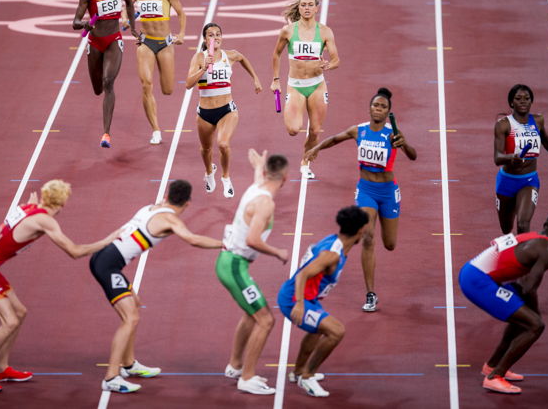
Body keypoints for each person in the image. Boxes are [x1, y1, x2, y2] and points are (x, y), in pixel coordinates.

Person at [0, 180, 120, 393]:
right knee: (9, 322)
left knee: (20, 312)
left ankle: (1, 368)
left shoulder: (28, 207)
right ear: (62, 202)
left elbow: (4, 228)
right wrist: (108, 241)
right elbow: (74, 251)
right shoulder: (45, 221)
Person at [89, 180, 223, 393]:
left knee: (135, 305)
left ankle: (129, 364)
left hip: (104, 258)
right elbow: (193, 239)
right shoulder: (169, 220)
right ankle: (111, 377)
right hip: (108, 267)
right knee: (130, 318)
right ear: (188, 203)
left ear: (168, 195)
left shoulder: (153, 207)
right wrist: (223, 244)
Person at [304, 87, 417, 313]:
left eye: (383, 107)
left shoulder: (393, 133)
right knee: (367, 237)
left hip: (388, 192)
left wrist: (403, 143)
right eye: (375, 105)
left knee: (390, 244)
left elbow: (413, 156)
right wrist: (316, 148)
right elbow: (335, 139)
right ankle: (371, 294)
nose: (378, 109)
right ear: (370, 108)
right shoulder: (359, 130)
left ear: (388, 112)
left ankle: (371, 286)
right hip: (366, 190)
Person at [458, 211, 548, 394]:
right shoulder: (547, 250)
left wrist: (530, 312)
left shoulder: (531, 237)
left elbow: (521, 286)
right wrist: (536, 316)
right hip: (478, 281)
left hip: (472, 271)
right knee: (535, 325)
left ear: (545, 225)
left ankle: (492, 365)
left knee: (524, 319)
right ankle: (494, 377)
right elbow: (528, 287)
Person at [216, 149, 289, 395]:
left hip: (230, 262)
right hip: (235, 265)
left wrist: (258, 164)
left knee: (252, 315)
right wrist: (277, 252)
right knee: (266, 320)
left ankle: (235, 366)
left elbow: (259, 174)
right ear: (286, 179)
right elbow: (253, 239)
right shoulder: (265, 202)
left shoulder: (258, 187)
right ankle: (247, 377)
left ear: (266, 173)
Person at [277, 206, 369, 398]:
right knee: (336, 331)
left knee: (317, 330)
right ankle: (307, 377)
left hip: (308, 298)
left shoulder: (335, 241)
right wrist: (300, 304)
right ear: (361, 230)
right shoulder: (331, 255)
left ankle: (298, 372)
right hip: (294, 299)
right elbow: (303, 274)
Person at [186, 23, 263, 197]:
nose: (215, 37)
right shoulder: (199, 58)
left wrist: (255, 78)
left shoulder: (231, 55)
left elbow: (243, 59)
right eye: (211, 35)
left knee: (223, 144)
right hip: (205, 113)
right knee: (206, 149)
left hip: (227, 110)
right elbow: (189, 84)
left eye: (218, 34)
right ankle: (209, 172)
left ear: (222, 37)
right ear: (206, 40)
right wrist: (203, 68)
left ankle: (226, 177)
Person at [72, 0, 140, 148]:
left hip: (113, 40)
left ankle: (106, 134)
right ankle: (101, 89)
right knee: (97, 89)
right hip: (94, 43)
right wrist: (85, 24)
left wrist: (133, 28)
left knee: (108, 82)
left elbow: (129, 3)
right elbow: (75, 22)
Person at [270, 0, 340, 179]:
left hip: (317, 85)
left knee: (315, 131)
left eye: (310, 5)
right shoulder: (288, 31)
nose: (307, 8)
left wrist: (329, 65)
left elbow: (336, 59)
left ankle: (305, 163)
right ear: (299, 8)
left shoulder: (325, 32)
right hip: (295, 85)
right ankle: (305, 157)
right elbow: (276, 54)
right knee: (293, 129)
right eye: (303, 5)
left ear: (316, 8)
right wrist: (276, 79)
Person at [494, 84, 548, 234]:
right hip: (507, 181)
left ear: (531, 102)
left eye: (527, 98)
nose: (523, 101)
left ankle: (523, 257)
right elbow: (497, 158)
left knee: (523, 225)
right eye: (518, 99)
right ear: (511, 103)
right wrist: (511, 157)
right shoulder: (503, 125)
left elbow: (546, 140)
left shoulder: (538, 121)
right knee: (506, 229)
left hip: (529, 181)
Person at [130, 0, 187, 145]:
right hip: (145, 43)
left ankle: (156, 127)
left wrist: (181, 34)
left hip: (165, 43)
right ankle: (156, 130)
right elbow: (126, 8)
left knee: (168, 89)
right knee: (146, 84)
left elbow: (181, 13)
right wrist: (126, 20)